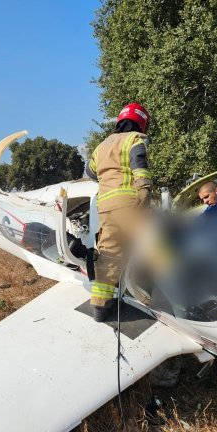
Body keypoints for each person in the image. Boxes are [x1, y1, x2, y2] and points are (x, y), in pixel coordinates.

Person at [86, 102, 152, 322]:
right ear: (141, 122)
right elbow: (139, 162)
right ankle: (184, 286)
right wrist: (143, 186)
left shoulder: (100, 146)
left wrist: (108, 179)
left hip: (105, 206)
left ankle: (100, 307)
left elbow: (90, 172)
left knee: (109, 254)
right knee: (153, 242)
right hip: (128, 201)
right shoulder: (135, 139)